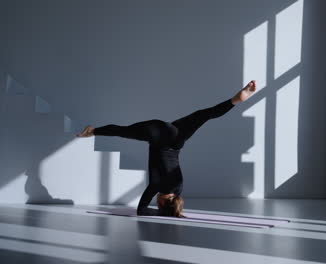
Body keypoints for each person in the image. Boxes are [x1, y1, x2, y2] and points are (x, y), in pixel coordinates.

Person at [77, 81, 257, 217]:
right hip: (156, 133)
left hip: (177, 136)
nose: (155, 202)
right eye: (158, 204)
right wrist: (161, 214)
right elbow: (142, 210)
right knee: (121, 131)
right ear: (162, 203)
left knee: (205, 115)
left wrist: (174, 211)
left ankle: (235, 100)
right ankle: (92, 131)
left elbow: (171, 200)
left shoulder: (179, 189)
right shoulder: (157, 185)